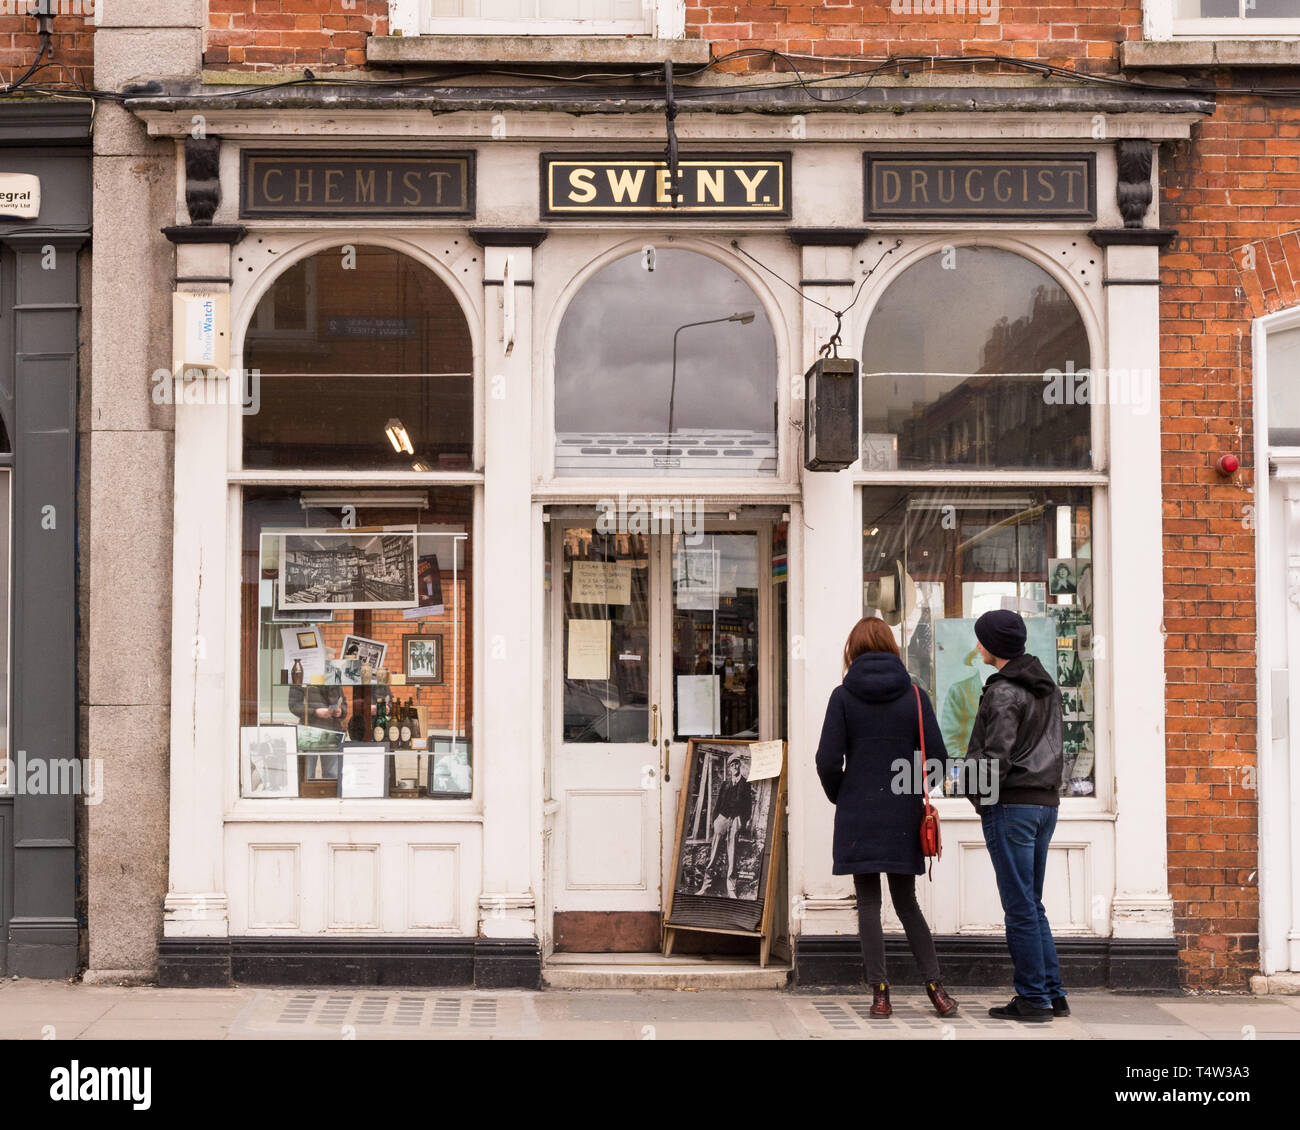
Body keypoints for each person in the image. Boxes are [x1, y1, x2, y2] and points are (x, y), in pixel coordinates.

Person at [815, 616, 958, 1020]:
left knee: (868, 904)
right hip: (901, 812)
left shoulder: (842, 697)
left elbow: (827, 760)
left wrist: (843, 794)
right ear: (892, 647)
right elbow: (938, 760)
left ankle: (880, 995)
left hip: (859, 812)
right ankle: (936, 989)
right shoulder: (914, 695)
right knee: (907, 902)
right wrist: (908, 789)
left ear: (852, 651)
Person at [966, 608, 1068, 1023]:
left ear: (993, 646)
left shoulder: (1003, 691)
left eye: (981, 638)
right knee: (1032, 903)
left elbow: (996, 757)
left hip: (1011, 806)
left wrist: (978, 797)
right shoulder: (1045, 686)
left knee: (1020, 906)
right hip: (1044, 804)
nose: (977, 645)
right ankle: (1052, 993)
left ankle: (1033, 999)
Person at [696, 754, 752, 897]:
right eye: (731, 765)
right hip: (722, 819)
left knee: (732, 853)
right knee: (714, 852)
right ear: (729, 768)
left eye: (736, 764)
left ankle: (731, 889)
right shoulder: (725, 784)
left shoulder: (745, 784)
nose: (734, 767)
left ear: (740, 765)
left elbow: (748, 807)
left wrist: (741, 821)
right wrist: (715, 820)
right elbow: (719, 803)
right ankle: (706, 886)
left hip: (735, 820)